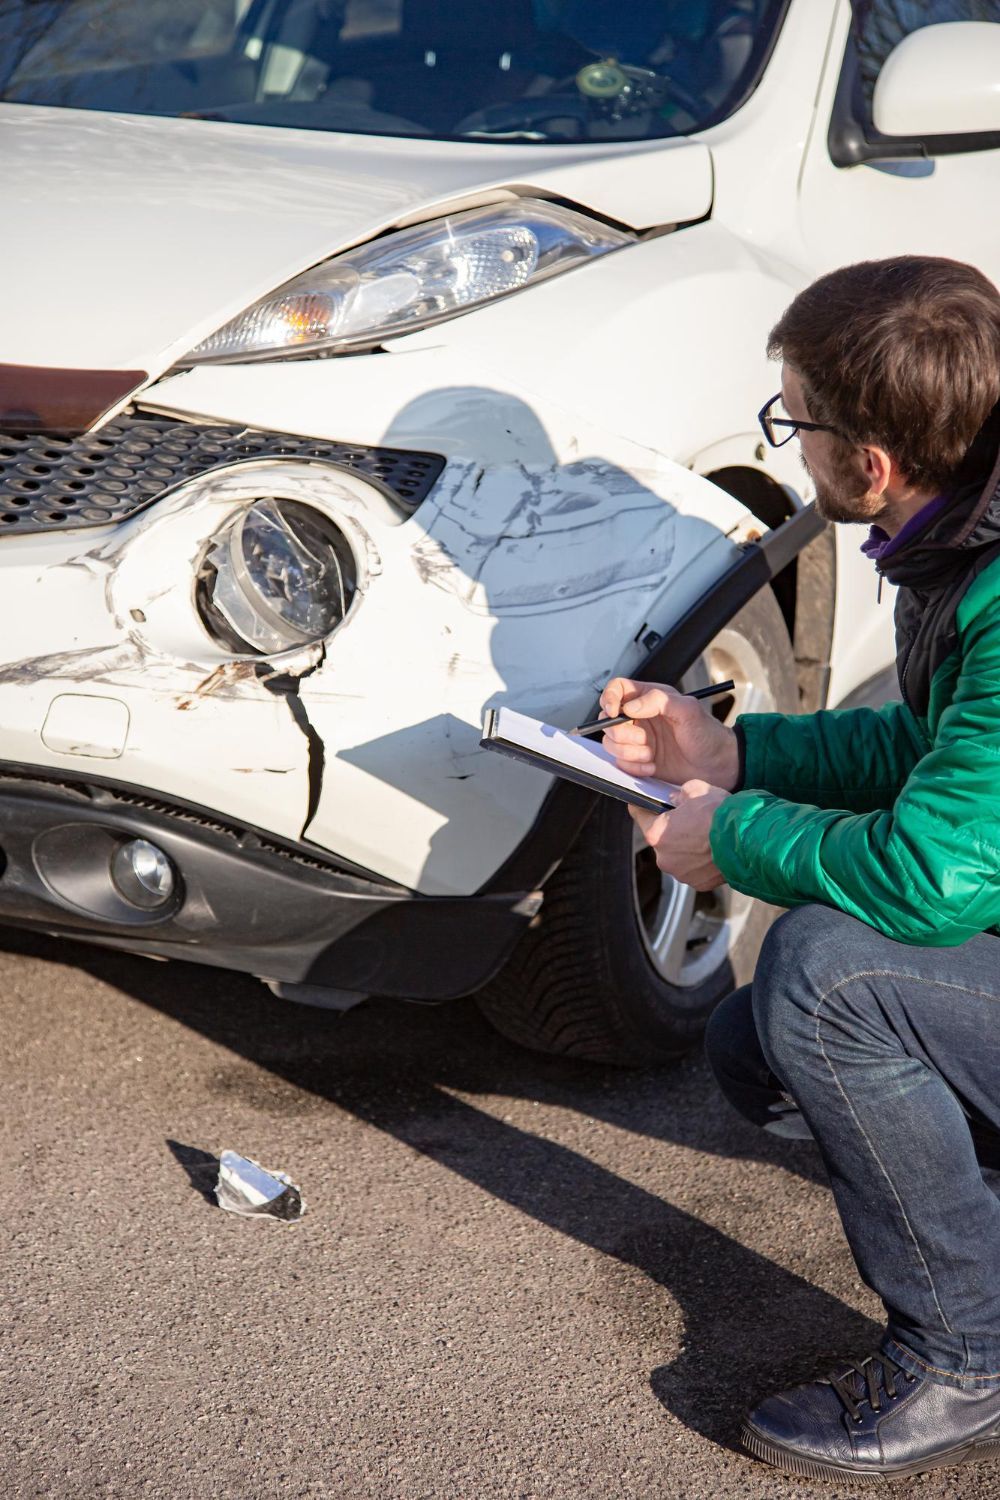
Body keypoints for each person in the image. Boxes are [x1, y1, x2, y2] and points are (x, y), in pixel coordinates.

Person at [601, 255, 1000, 1484]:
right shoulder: (968, 534)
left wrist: (729, 833)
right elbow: (932, 751)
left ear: (870, 463)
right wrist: (736, 746)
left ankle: (965, 1352)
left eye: (797, 421)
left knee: (822, 978)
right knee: (753, 1044)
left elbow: (935, 877)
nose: (791, 444)